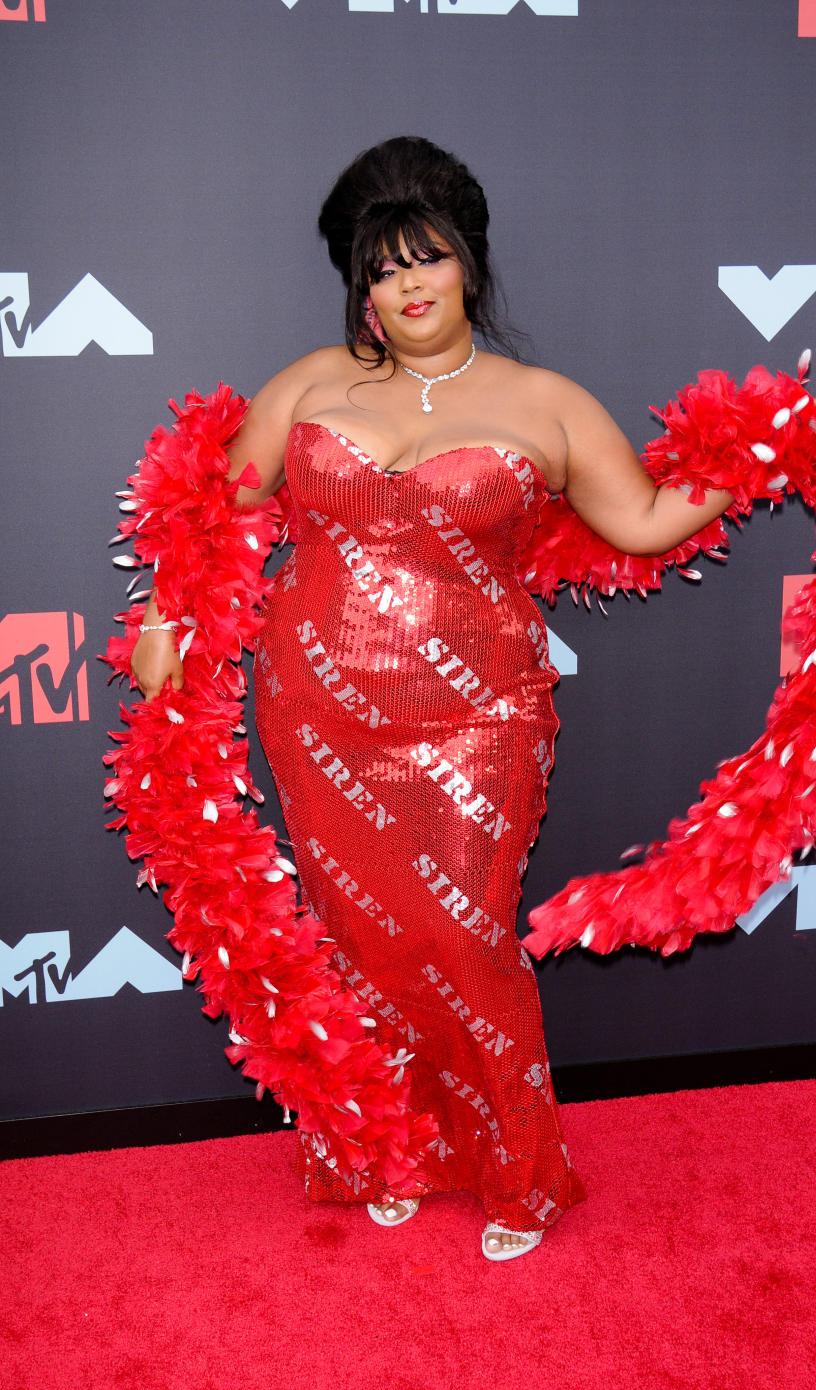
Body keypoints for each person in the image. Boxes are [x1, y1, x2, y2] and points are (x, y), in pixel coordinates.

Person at [131, 136, 732, 1261]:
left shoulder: (543, 399)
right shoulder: (314, 381)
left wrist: (770, 446)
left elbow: (644, 518)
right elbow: (212, 509)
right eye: (382, 268)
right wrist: (166, 613)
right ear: (360, 288)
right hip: (315, 708)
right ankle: (379, 1150)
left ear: (468, 265)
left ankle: (519, 1170)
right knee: (359, 938)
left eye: (428, 259)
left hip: (482, 716)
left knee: (468, 939)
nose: (408, 285)